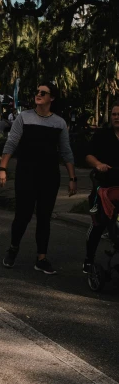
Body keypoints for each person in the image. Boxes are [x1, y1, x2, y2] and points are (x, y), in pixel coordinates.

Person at [0, 82, 76, 274]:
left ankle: (41, 258)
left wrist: (72, 178)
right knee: (23, 215)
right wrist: (2, 168)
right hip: (26, 174)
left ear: (52, 98)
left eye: (43, 92)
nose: (38, 95)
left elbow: (66, 152)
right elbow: (11, 143)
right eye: (37, 91)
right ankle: (13, 248)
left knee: (44, 218)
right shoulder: (24, 117)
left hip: (49, 177)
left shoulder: (59, 123)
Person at [83, 103, 119, 274]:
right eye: (114, 114)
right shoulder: (102, 135)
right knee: (99, 224)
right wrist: (98, 164)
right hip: (103, 188)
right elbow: (88, 155)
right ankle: (89, 260)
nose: (116, 117)